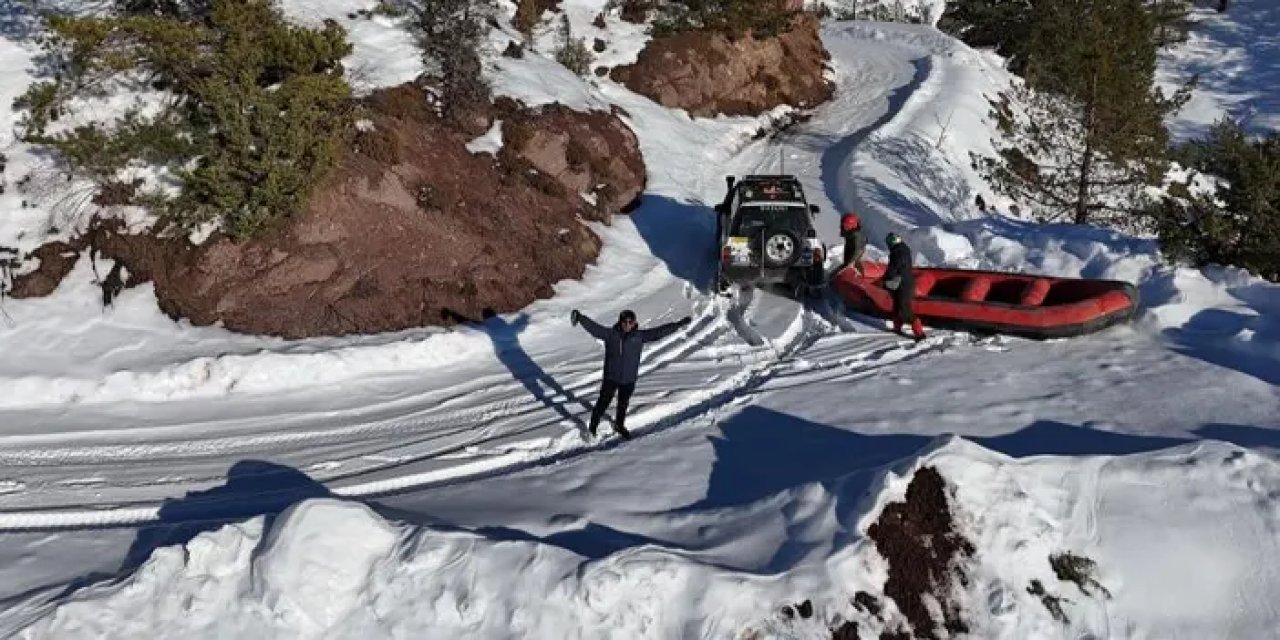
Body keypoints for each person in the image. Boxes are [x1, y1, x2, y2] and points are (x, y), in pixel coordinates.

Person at [570, 308, 691, 438]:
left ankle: (619, 425)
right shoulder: (611, 335)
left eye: (630, 322)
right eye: (625, 322)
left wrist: (678, 325)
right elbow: (594, 328)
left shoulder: (639, 336)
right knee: (603, 403)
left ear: (634, 323)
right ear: (620, 322)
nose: (627, 325)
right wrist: (580, 318)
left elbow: (659, 332)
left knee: (623, 404)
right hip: (611, 377)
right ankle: (592, 428)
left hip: (628, 379)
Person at [884, 232, 926, 342]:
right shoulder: (902, 250)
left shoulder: (898, 253)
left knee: (905, 310)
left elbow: (893, 268)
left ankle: (920, 333)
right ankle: (897, 327)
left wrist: (886, 278)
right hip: (902, 282)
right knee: (897, 306)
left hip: (903, 284)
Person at [839, 212, 867, 276]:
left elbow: (858, 251)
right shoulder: (848, 234)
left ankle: (858, 275)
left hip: (855, 256)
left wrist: (851, 262)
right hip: (851, 253)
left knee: (855, 264)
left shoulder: (857, 236)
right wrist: (846, 262)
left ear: (851, 225)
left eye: (845, 225)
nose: (843, 227)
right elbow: (847, 247)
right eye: (843, 225)